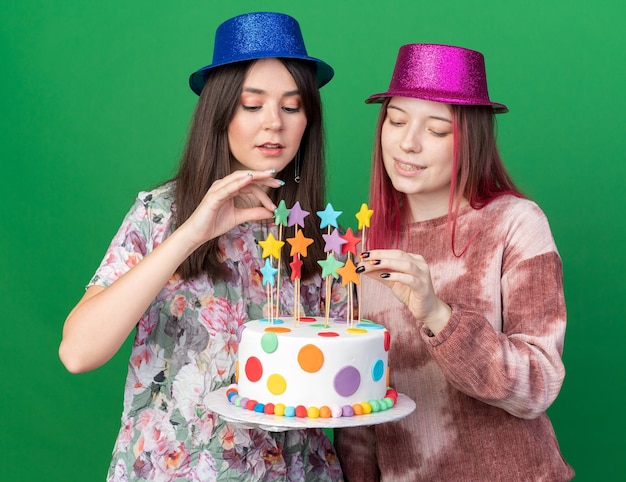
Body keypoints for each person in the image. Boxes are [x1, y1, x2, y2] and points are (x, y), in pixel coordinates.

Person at [59, 12, 345, 481]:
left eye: (292, 107)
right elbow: (78, 353)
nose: (273, 123)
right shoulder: (160, 215)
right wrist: (191, 232)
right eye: (252, 106)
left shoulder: (320, 235)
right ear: (220, 112)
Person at [335, 44, 574, 481]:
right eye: (397, 120)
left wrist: (437, 315)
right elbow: (357, 415)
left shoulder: (515, 224)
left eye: (438, 130)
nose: (408, 142)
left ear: (471, 137)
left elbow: (537, 384)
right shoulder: (362, 248)